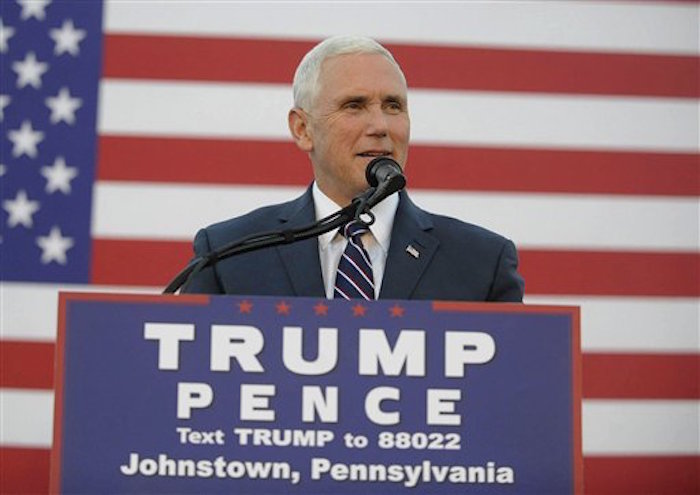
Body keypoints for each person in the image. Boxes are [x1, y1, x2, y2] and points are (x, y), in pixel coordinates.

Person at [183, 36, 524, 302]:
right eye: (354, 106)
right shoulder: (228, 254)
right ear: (302, 129)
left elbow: (511, 388)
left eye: (393, 106)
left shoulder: (482, 262)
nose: (380, 125)